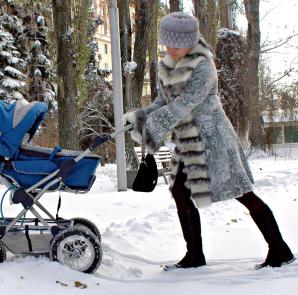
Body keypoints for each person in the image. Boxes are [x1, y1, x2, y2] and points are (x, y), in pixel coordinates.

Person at [123, 12, 295, 271]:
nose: (171, 48)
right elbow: (164, 102)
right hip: (188, 142)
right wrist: (141, 117)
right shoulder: (168, 66)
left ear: (190, 42)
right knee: (180, 191)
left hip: (214, 140)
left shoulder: (203, 67)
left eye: (177, 44)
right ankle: (194, 255)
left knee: (243, 192)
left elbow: (184, 105)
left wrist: (153, 127)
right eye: (168, 43)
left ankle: (279, 249)